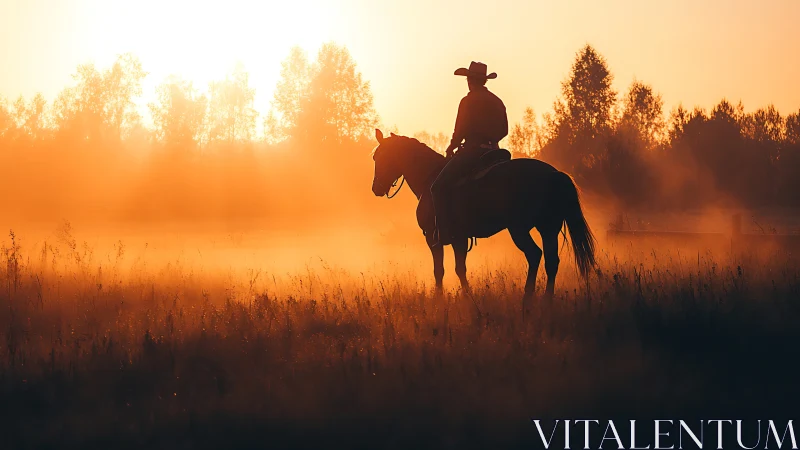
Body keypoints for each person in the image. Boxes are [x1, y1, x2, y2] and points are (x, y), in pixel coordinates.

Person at [430, 61, 508, 247]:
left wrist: (452, 147)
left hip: (472, 152)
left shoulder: (468, 101)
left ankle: (444, 233)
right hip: (495, 153)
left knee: (437, 188)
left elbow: (460, 129)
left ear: (470, 81)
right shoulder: (497, 101)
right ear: (484, 81)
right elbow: (504, 130)